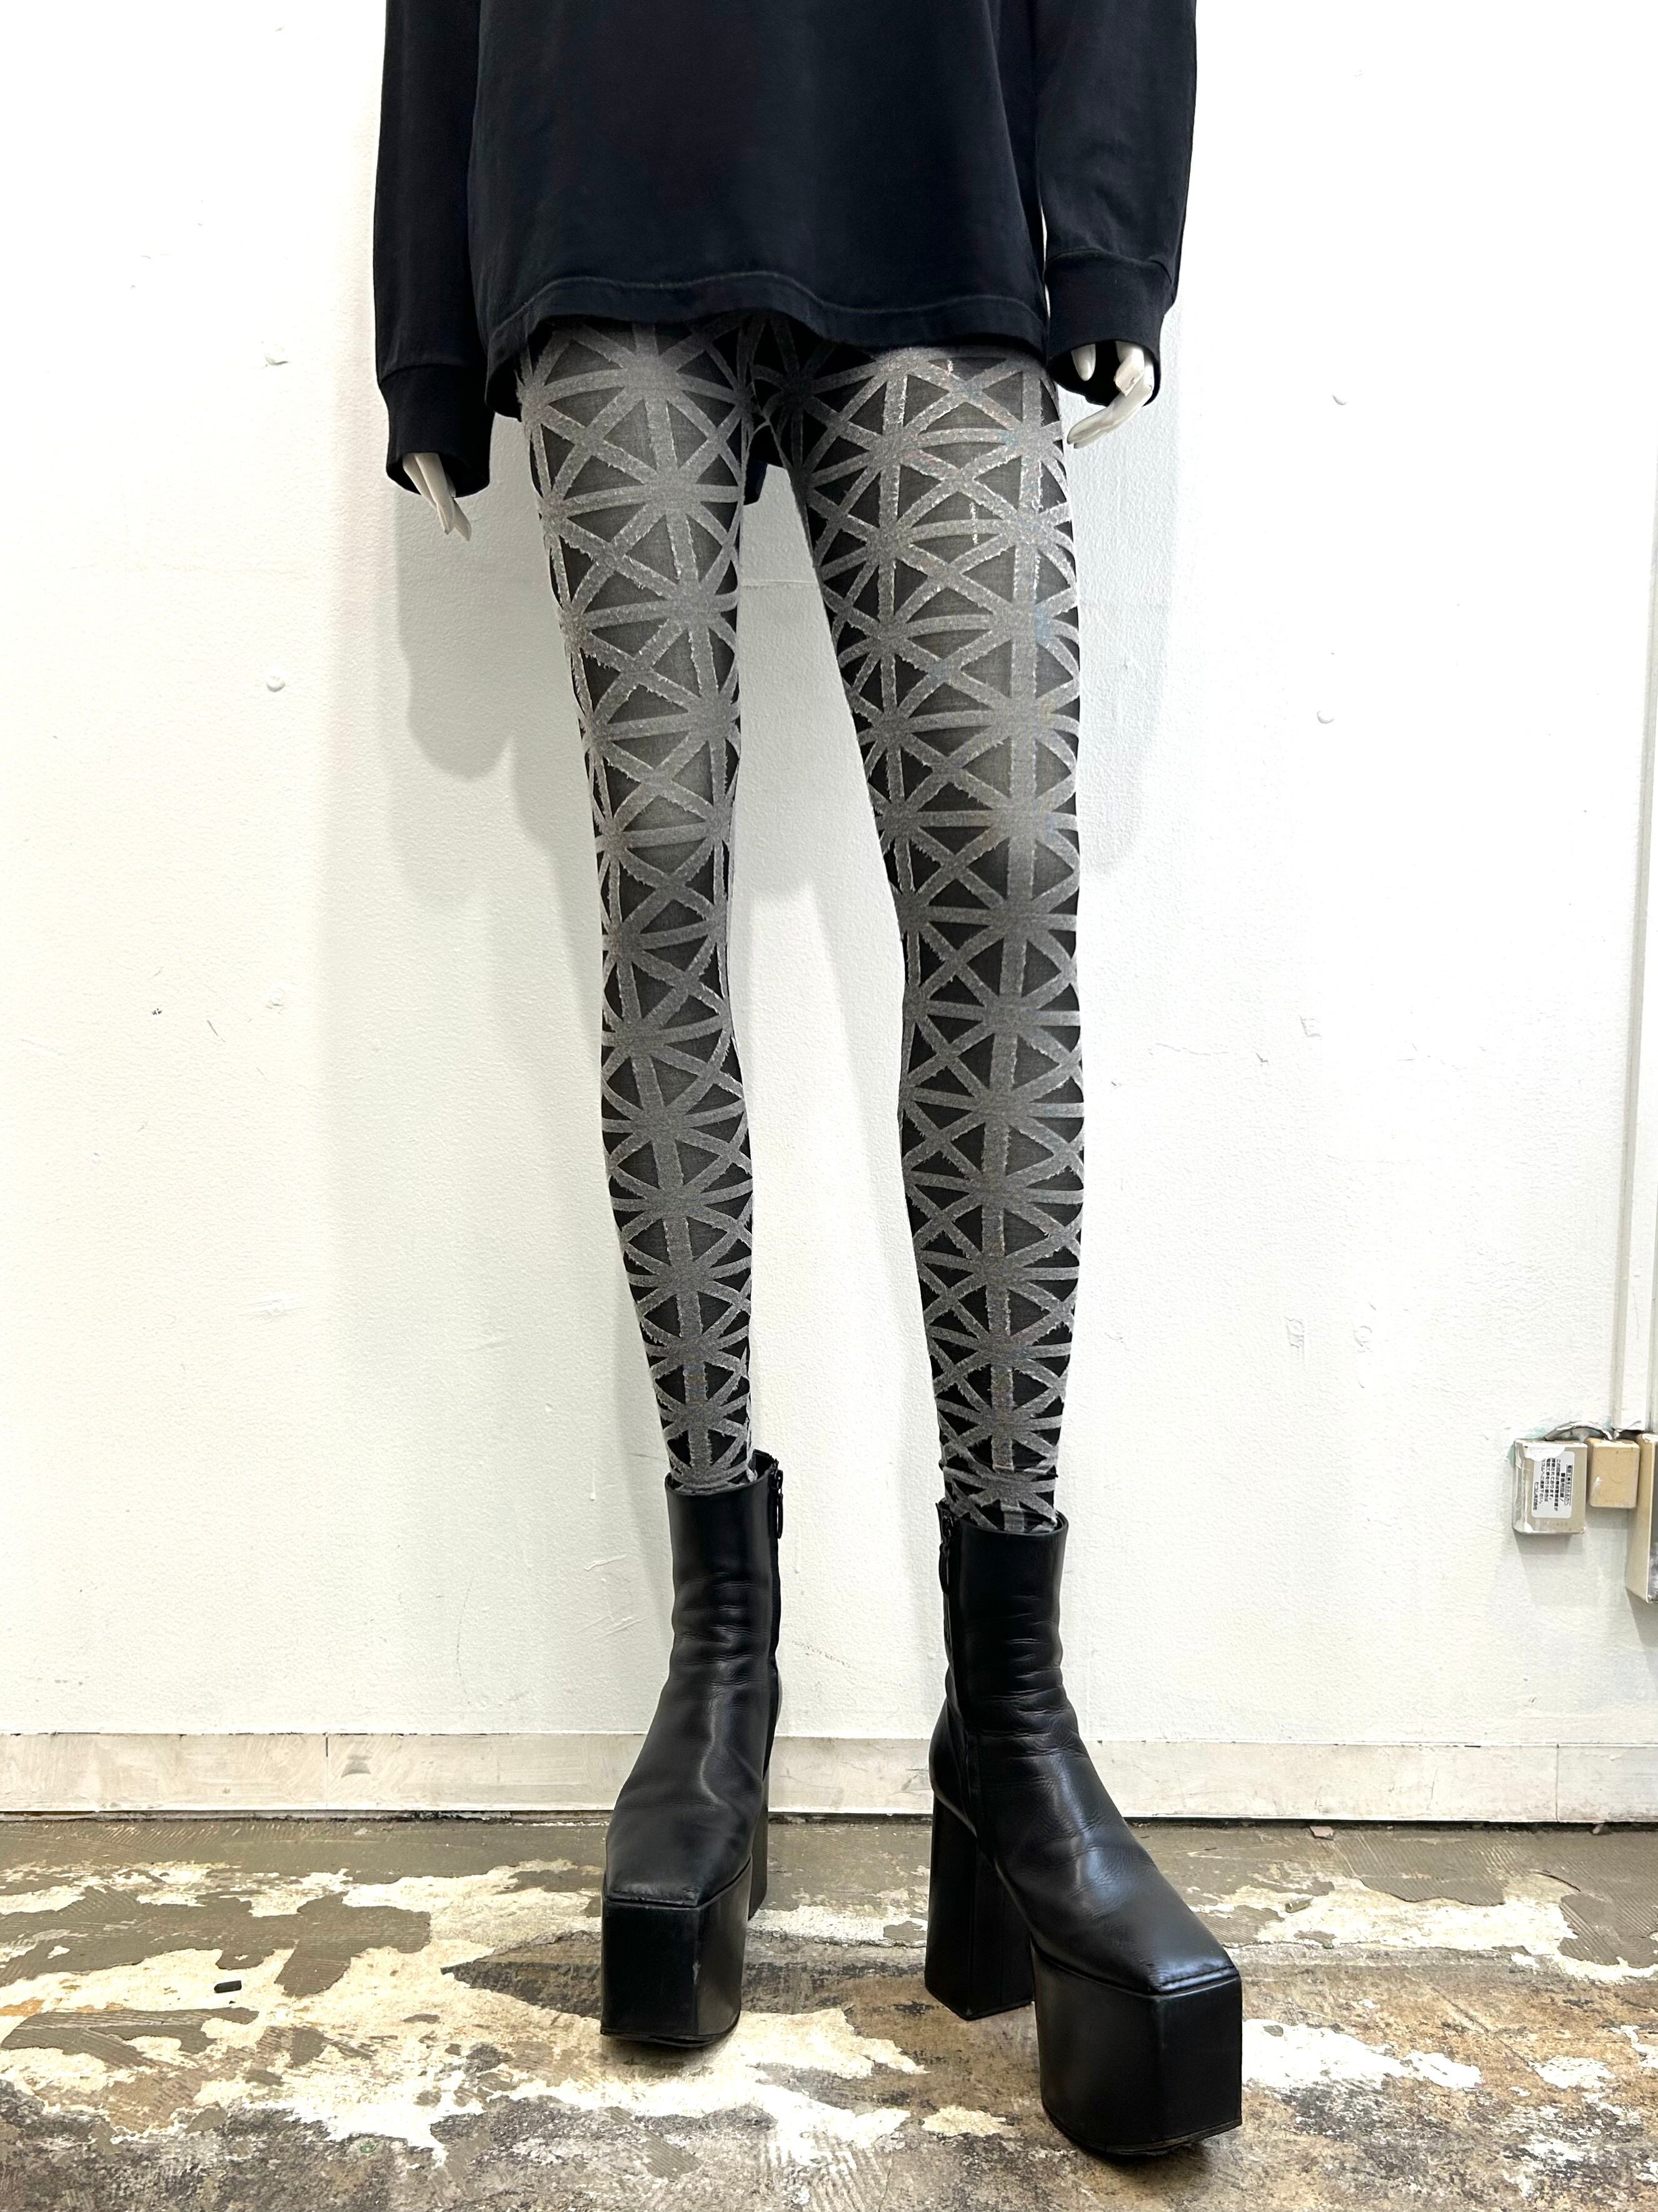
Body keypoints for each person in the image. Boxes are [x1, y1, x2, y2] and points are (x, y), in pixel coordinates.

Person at [373, 0, 1241, 2155]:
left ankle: (1007, 1714)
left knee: (1003, 875)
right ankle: (722, 1672)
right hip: (594, 174)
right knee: (660, 883)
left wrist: (1104, 225)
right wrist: (426, 324)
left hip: (930, 172)